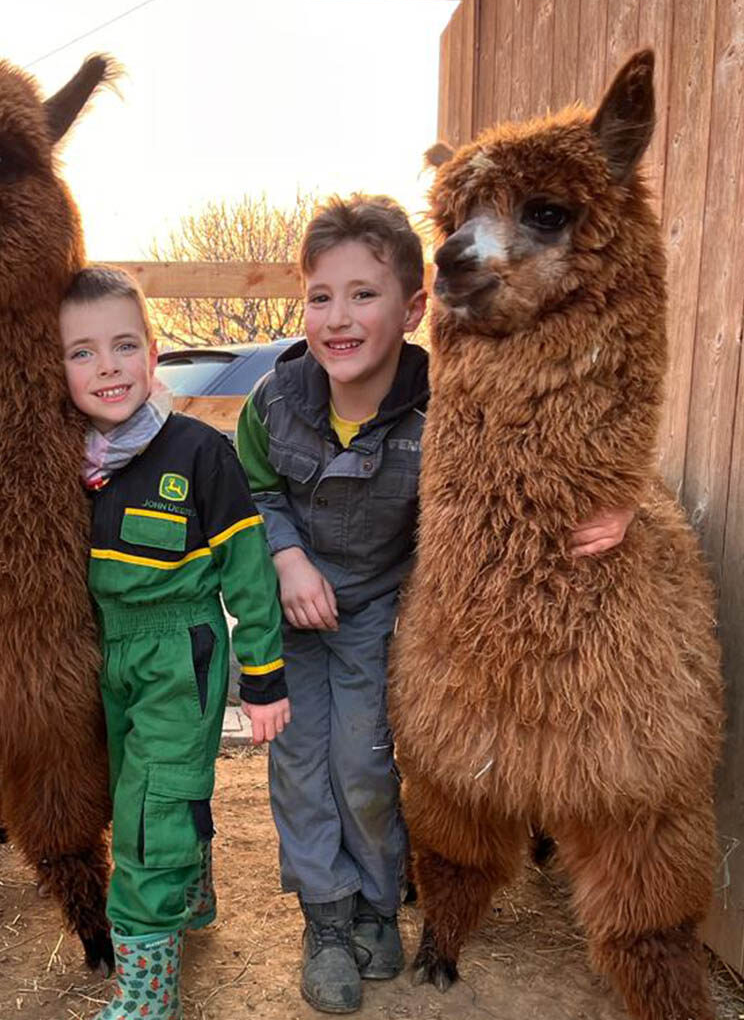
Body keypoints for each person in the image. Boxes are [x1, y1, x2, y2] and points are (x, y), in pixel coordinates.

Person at [235, 194, 633, 1014]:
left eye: (364, 295)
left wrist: (616, 499)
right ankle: (329, 920)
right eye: (320, 296)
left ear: (414, 307)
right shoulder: (273, 404)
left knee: (370, 765)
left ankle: (382, 905)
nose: (337, 317)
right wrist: (284, 556)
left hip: (385, 612)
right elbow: (249, 490)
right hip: (293, 608)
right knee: (302, 769)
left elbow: (527, 463)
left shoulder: (447, 407)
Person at [60, 266, 291, 1020]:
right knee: (138, 786)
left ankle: (147, 994)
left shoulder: (197, 451)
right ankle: (190, 897)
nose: (107, 368)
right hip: (107, 655)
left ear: (153, 352)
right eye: (82, 352)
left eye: (124, 346)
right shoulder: (64, 461)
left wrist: (262, 674)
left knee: (151, 813)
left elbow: (249, 571)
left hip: (177, 653)